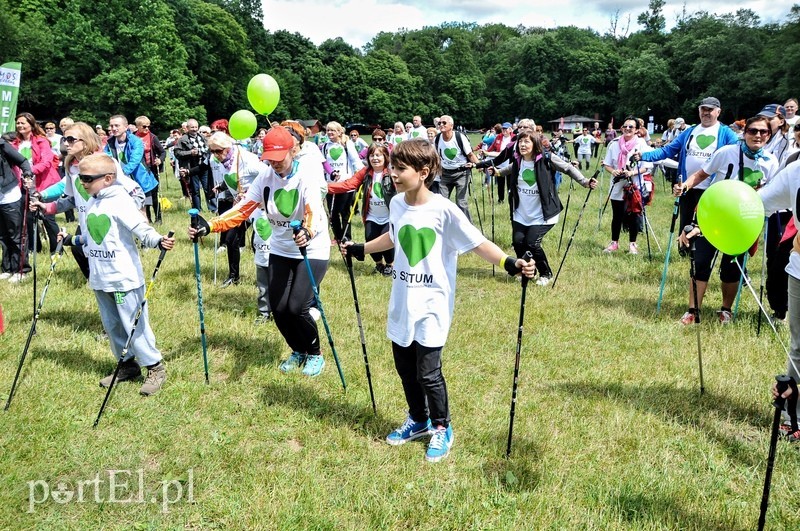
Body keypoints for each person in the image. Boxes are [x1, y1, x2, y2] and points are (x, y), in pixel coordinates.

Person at [340, 139, 536, 463]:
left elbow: (478, 243)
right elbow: (393, 235)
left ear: (424, 171)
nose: (393, 173)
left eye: (400, 168)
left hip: (432, 303)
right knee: (404, 368)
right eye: (392, 166)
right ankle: (418, 420)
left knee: (428, 373)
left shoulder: (444, 209)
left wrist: (510, 263)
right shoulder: (397, 204)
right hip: (402, 300)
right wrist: (362, 248)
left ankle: (442, 426)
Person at [188, 127, 331, 378]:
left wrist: (307, 231)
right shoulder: (266, 176)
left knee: (296, 307)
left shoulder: (305, 175)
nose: (274, 163)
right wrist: (210, 225)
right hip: (281, 249)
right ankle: (297, 350)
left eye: (279, 157)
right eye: (270, 158)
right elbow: (243, 209)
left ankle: (315, 353)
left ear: (293, 150)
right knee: (278, 308)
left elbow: (314, 211)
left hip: (311, 248)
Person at [59, 153, 174, 395]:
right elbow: (92, 238)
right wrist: (72, 239)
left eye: (88, 178)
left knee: (134, 323)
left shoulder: (120, 201)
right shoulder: (93, 201)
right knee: (112, 325)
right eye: (80, 178)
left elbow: (140, 227)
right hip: (100, 276)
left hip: (123, 277)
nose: (83, 183)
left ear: (108, 178)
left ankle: (154, 366)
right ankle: (127, 365)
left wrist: (157, 240)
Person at [676, 115, 780, 325]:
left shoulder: (771, 161)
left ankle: (726, 310)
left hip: (743, 222)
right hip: (714, 216)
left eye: (763, 132)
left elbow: (773, 190)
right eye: (753, 131)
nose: (757, 135)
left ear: (769, 135)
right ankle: (692, 311)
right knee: (701, 262)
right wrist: (685, 186)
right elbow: (701, 174)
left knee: (732, 268)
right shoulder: (726, 152)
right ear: (744, 133)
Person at [32, 122, 145, 280]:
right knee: (79, 251)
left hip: (108, 224)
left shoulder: (104, 163)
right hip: (87, 222)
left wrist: (129, 213)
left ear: (85, 140)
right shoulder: (70, 166)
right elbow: (73, 199)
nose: (65, 143)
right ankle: (95, 283)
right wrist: (47, 207)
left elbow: (136, 191)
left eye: (71, 139)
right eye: (64, 139)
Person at [498, 132, 596, 285]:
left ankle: (546, 273)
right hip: (521, 212)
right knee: (518, 242)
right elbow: (509, 169)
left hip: (543, 213)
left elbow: (568, 168)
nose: (522, 145)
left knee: (532, 243)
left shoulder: (546, 158)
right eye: (520, 142)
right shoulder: (518, 160)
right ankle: (527, 270)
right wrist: (497, 172)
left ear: (535, 144)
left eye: (526, 142)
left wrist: (584, 181)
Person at [639, 96, 739, 241]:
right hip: (687, 185)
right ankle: (683, 249)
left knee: (705, 222)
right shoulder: (690, 131)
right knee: (685, 219)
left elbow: (736, 153)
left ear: (718, 112)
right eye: (703, 109)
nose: (706, 113)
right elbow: (667, 150)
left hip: (710, 187)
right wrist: (643, 156)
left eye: (710, 110)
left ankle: (700, 252)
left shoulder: (726, 133)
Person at [759, 159, 800, 434]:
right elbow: (756, 203)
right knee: (799, 347)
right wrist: (704, 222)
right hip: (799, 270)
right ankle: (794, 416)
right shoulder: (796, 171)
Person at [328, 143, 395, 275]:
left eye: (378, 155)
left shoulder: (391, 172)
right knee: (370, 239)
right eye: (371, 155)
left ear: (385, 156)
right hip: (371, 215)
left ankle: (390, 265)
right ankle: (378, 264)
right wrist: (326, 187)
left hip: (389, 215)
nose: (375, 158)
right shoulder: (365, 173)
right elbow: (348, 185)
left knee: (386, 240)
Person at [207, 132, 261, 287]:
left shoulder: (246, 158)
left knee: (257, 242)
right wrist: (223, 186)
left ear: (228, 146)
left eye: (218, 150)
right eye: (212, 151)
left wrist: (251, 192)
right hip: (240, 206)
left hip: (258, 205)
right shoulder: (225, 162)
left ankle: (263, 278)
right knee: (230, 238)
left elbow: (267, 176)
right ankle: (233, 276)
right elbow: (233, 178)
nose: (216, 155)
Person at [12, 112, 62, 264]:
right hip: (23, 184)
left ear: (31, 125)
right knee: (27, 217)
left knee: (47, 217)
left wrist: (29, 171)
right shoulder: (15, 143)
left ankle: (57, 248)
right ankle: (35, 248)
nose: (20, 126)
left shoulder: (41, 141)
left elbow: (47, 162)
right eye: (18, 123)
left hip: (43, 183)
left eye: (23, 123)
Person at [602, 117, 653, 255]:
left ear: (637, 130)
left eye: (631, 127)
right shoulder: (614, 144)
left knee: (634, 215)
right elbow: (607, 164)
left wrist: (631, 172)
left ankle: (632, 244)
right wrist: (614, 171)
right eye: (625, 126)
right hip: (617, 184)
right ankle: (614, 243)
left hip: (634, 184)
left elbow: (646, 168)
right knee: (617, 215)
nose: (627, 129)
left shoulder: (642, 145)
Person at [103, 115, 158, 210]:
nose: (114, 128)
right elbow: (105, 158)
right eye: (112, 126)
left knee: (142, 211)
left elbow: (134, 160)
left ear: (125, 127)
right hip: (119, 181)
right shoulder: (109, 143)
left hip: (139, 179)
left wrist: (121, 173)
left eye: (117, 125)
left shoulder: (135, 141)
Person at [321, 121, 364, 243]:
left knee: (344, 212)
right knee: (332, 213)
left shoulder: (347, 144)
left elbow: (356, 161)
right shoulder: (325, 146)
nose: (329, 133)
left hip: (346, 184)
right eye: (328, 130)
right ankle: (338, 237)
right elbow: (324, 164)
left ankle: (346, 237)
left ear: (339, 132)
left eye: (333, 130)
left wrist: (362, 175)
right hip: (331, 184)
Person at [434, 115, 479, 220]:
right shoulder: (438, 138)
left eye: (444, 123)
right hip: (445, 174)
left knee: (461, 203)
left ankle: (468, 230)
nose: (441, 125)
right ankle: (444, 227)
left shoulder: (459, 137)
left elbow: (470, 154)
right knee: (441, 203)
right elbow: (436, 156)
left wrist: (479, 165)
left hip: (461, 173)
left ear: (451, 125)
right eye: (439, 123)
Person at [0, 136, 33, 282]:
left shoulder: (2, 145)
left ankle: (21, 269)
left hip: (9, 194)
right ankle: (7, 268)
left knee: (16, 234)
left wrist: (27, 175)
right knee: (2, 235)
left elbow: (23, 161)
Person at [174, 118, 213, 212]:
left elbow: (209, 149)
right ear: (187, 128)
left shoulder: (202, 137)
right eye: (192, 127)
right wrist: (190, 153)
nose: (194, 129)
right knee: (195, 190)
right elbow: (177, 153)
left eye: (196, 127)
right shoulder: (182, 140)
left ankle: (212, 208)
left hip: (203, 166)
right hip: (191, 167)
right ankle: (197, 209)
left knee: (208, 188)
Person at [134, 116, 165, 224]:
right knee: (143, 195)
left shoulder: (152, 137)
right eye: (144, 126)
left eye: (148, 126)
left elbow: (162, 152)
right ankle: (147, 218)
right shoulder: (133, 137)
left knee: (154, 194)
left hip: (151, 169)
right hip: (139, 171)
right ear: (137, 126)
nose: (147, 128)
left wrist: (160, 160)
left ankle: (158, 217)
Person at [483, 122, 515, 203]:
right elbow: (492, 147)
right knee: (500, 183)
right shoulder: (498, 137)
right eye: (503, 129)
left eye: (506, 129)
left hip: (510, 164)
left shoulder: (514, 137)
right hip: (500, 164)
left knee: (510, 183)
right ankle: (501, 200)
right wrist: (486, 152)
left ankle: (510, 199)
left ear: (510, 129)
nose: (504, 130)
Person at [251, 207, 272, 324]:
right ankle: (264, 313)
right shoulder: (254, 211)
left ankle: (279, 312)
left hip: (276, 256)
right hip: (261, 257)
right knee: (263, 288)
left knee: (278, 287)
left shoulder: (275, 211)